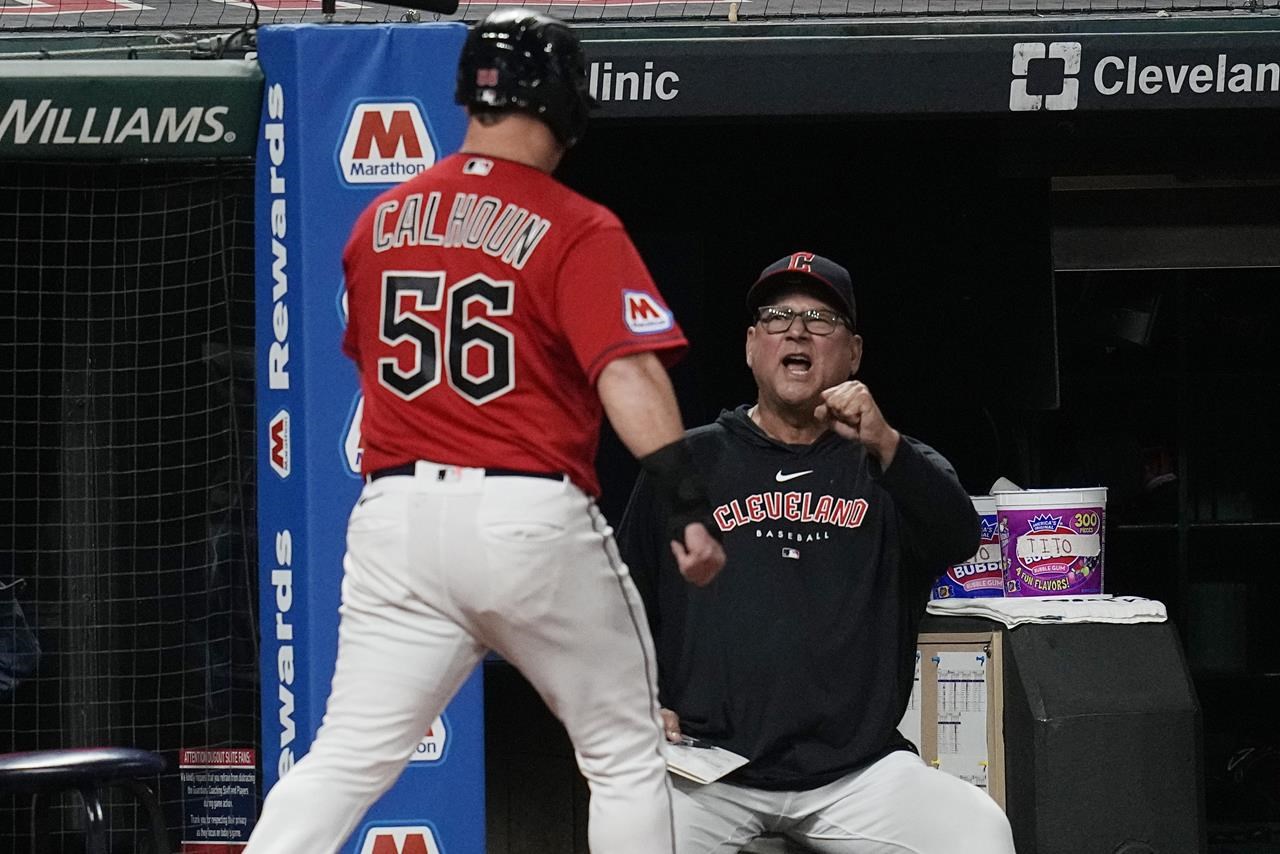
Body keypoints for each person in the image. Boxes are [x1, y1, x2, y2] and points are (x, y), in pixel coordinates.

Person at [244, 11, 725, 853]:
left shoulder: (377, 223)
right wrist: (686, 500)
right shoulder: (577, 224)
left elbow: (372, 355)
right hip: (524, 511)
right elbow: (628, 370)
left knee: (347, 757)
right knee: (623, 753)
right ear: (565, 105)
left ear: (472, 94)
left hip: (396, 519)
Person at [617, 251, 1016, 854]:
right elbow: (621, 598)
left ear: (853, 353)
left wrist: (885, 444)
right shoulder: (687, 464)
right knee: (629, 833)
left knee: (978, 834)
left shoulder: (894, 464)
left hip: (857, 774)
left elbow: (960, 537)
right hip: (708, 769)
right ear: (751, 346)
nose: (797, 331)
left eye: (820, 318)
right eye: (777, 317)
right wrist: (640, 700)